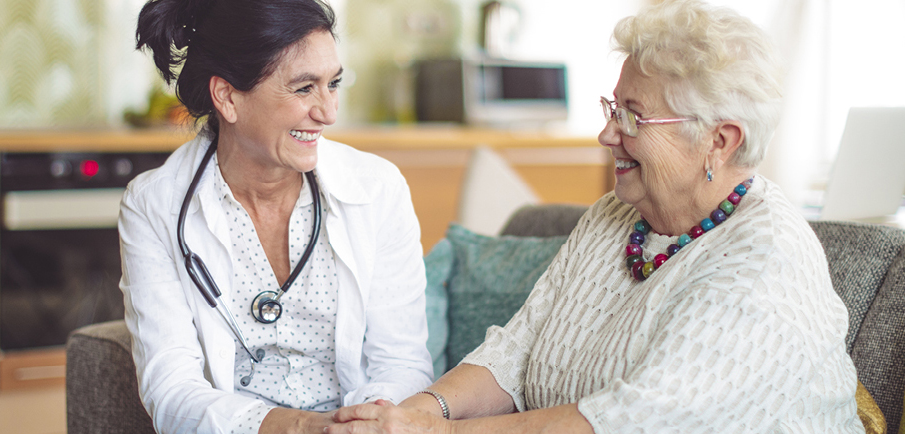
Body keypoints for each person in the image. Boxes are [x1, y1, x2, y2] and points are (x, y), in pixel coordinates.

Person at [328, 1, 864, 433]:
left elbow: (633, 421)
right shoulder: (617, 214)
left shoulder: (764, 261)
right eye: (613, 108)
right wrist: (421, 410)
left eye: (634, 116)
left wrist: (437, 433)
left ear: (719, 142)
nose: (608, 134)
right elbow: (517, 350)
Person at [119, 0, 433, 433]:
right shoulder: (153, 206)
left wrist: (358, 425)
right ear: (227, 97)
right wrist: (302, 428)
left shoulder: (379, 189)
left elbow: (403, 363)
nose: (328, 112)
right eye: (304, 88)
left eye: (333, 84)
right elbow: (171, 391)